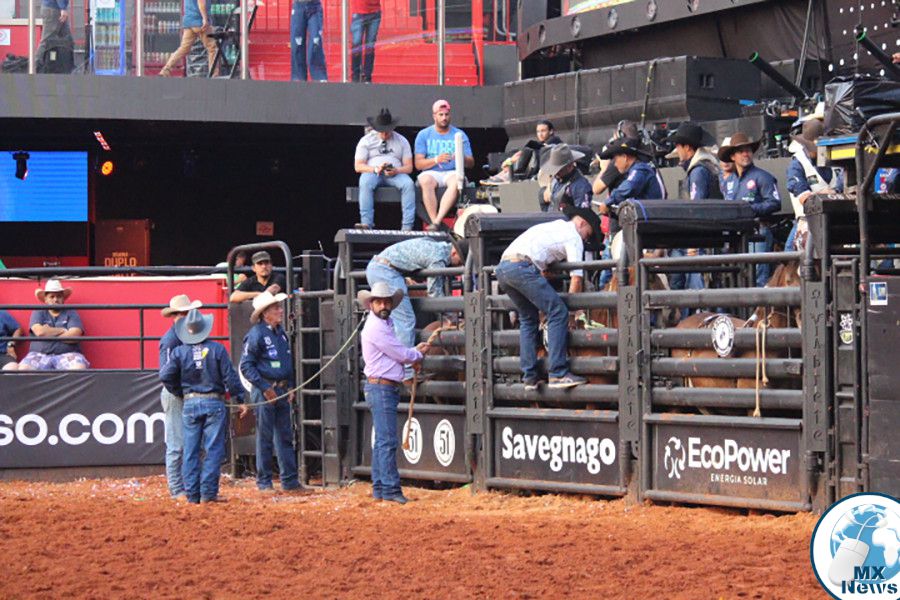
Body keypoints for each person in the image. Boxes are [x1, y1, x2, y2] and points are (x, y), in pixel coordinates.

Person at [495, 206, 604, 390]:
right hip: (522, 267)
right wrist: (572, 311)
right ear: (581, 223)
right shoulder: (573, 237)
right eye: (588, 233)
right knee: (558, 312)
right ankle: (558, 373)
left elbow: (542, 265)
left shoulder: (554, 228)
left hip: (503, 268)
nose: (586, 239)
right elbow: (576, 277)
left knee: (528, 318)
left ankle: (529, 376)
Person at [160, 309, 247, 504]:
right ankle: (208, 492)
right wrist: (240, 399)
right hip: (213, 401)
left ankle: (192, 494)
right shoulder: (217, 349)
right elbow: (230, 376)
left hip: (190, 402)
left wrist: (179, 391)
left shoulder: (179, 352)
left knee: (190, 449)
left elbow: (165, 375)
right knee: (213, 449)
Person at [358, 281, 430, 504]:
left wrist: (413, 353)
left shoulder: (380, 325)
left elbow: (396, 352)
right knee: (387, 440)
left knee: (382, 440)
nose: (383, 305)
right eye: (379, 302)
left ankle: (381, 487)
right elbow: (399, 354)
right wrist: (416, 354)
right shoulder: (378, 327)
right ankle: (389, 488)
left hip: (380, 385)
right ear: (372, 304)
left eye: (386, 302)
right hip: (382, 387)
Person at [365, 236, 467, 378]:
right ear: (454, 253)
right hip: (386, 271)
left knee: (393, 321)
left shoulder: (434, 245)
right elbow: (434, 291)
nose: (457, 266)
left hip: (380, 267)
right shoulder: (438, 260)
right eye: (459, 262)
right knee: (405, 320)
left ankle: (391, 366)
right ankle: (407, 373)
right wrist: (450, 316)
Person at [240, 291, 300, 493]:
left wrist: (290, 386)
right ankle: (264, 481)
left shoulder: (280, 333)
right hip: (266, 389)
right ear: (265, 313)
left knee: (284, 435)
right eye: (276, 308)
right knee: (265, 436)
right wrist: (265, 388)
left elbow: (287, 363)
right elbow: (246, 366)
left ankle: (289, 480)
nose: (281, 311)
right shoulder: (256, 334)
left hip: (280, 388)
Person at [596, 138, 665, 287]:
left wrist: (608, 201)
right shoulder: (639, 170)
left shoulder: (640, 170)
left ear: (625, 157)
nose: (615, 164)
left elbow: (629, 187)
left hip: (647, 230)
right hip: (645, 229)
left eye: (616, 159)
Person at [717, 132, 781, 287]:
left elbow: (775, 202)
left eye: (748, 150)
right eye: (741, 151)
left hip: (758, 232)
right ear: (733, 156)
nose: (746, 154)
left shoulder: (763, 177)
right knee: (738, 277)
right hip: (736, 236)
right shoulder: (729, 181)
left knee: (758, 276)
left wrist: (749, 209)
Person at [666, 122, 721, 296]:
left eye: (678, 146)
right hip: (709, 235)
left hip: (702, 238)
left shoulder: (698, 172)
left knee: (698, 288)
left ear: (687, 147)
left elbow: (697, 208)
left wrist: (693, 243)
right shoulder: (706, 167)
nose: (677, 150)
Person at [414, 100, 475, 230]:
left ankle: (437, 221)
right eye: (440, 115)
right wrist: (437, 159)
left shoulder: (459, 134)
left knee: (457, 181)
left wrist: (460, 156)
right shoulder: (423, 134)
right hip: (431, 172)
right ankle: (433, 220)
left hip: (452, 171)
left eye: (446, 114)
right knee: (425, 181)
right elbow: (418, 164)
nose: (444, 118)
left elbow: (471, 163)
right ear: (434, 116)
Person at [786, 118, 843, 251]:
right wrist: (828, 194)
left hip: (838, 220)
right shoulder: (797, 163)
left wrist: (833, 192)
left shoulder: (836, 158)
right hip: (808, 221)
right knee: (791, 254)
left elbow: (844, 186)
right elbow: (803, 196)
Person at [354, 108, 416, 230]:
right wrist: (375, 169)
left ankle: (407, 226)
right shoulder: (366, 140)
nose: (384, 135)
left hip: (396, 173)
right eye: (381, 132)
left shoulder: (402, 141)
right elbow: (358, 166)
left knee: (408, 184)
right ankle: (366, 223)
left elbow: (409, 167)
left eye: (387, 132)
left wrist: (396, 170)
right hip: (373, 172)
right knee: (365, 182)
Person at [19, 279, 89, 371]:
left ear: (63, 298)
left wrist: (49, 332)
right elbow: (40, 332)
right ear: (46, 299)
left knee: (78, 367)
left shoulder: (71, 312)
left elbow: (74, 336)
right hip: (39, 355)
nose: (55, 299)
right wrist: (62, 330)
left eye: (59, 296)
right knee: (23, 369)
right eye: (52, 296)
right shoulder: (38, 311)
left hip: (68, 354)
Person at [481, 120, 562, 185]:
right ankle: (503, 174)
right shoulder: (541, 144)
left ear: (551, 131)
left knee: (529, 148)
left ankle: (505, 175)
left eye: (543, 131)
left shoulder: (555, 141)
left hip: (544, 169)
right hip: (535, 167)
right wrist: (510, 161)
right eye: (538, 131)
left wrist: (510, 161)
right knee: (525, 149)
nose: (540, 134)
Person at [159, 0, 217, 77]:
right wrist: (205, 19)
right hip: (200, 22)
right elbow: (201, 2)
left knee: (184, 48)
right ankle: (214, 75)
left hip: (189, 21)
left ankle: (166, 70)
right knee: (212, 48)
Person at [538, 144, 592, 212]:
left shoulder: (580, 186)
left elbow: (583, 213)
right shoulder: (556, 179)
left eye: (559, 170)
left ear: (569, 166)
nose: (555, 173)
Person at [290, 0, 328, 82]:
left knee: (315, 41)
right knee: (296, 44)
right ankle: (298, 78)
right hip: (298, 5)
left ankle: (319, 77)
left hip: (314, 6)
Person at [35, 0, 74, 73]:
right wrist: (63, 8)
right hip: (54, 9)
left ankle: (67, 67)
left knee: (67, 40)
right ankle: (35, 67)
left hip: (55, 8)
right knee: (47, 41)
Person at [350, 0, 381, 83]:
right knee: (357, 44)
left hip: (374, 12)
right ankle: (356, 75)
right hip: (359, 12)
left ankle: (367, 75)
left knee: (369, 46)